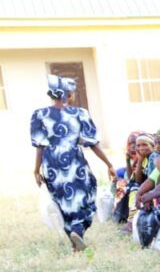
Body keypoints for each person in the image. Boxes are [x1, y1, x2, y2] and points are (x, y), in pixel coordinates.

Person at [31, 75, 116, 251]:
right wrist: (109, 164)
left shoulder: (39, 114)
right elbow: (93, 143)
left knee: (63, 200)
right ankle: (78, 229)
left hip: (51, 162)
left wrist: (36, 170)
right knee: (84, 194)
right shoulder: (80, 113)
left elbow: (39, 145)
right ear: (69, 94)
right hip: (74, 160)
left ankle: (74, 241)